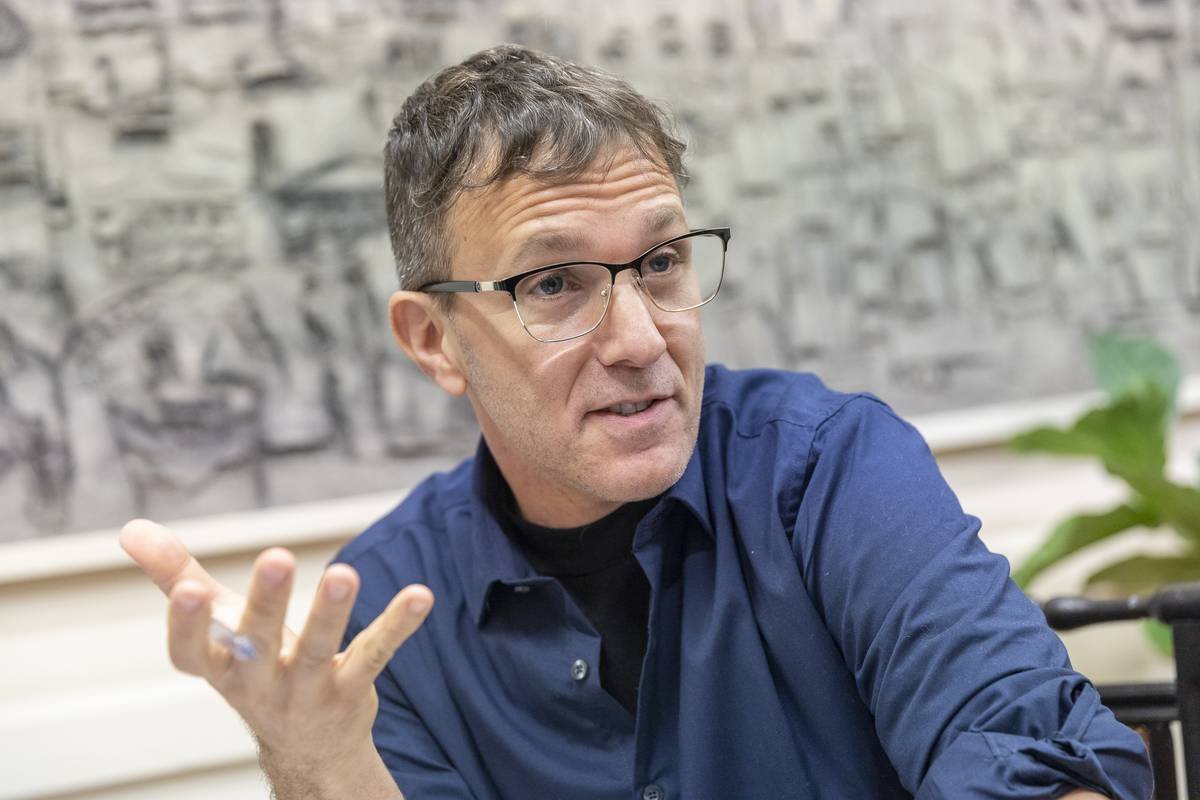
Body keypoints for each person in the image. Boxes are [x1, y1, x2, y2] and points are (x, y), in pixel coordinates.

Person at [120, 45, 1152, 799]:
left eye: (660, 263)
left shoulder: (827, 469)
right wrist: (316, 764)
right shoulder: (390, 609)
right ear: (434, 339)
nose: (641, 338)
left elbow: (1030, 750)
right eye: (554, 283)